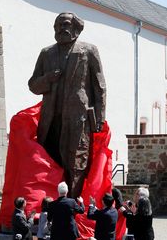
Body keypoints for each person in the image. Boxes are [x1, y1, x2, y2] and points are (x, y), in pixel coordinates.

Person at [28, 12, 107, 198]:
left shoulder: (88, 51)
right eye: (58, 25)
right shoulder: (46, 53)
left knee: (76, 162)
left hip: (78, 118)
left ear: (76, 28)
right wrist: (47, 78)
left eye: (65, 24)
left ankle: (73, 204)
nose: (62, 28)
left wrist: (100, 118)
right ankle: (49, 204)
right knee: (49, 162)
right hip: (51, 118)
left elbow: (100, 86)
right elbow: (33, 85)